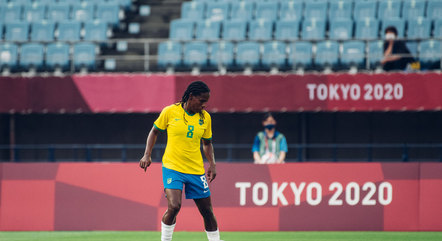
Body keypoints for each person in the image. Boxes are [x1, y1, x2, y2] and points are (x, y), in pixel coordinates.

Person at [139, 81, 222, 241]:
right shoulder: (170, 111)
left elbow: (207, 143)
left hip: (196, 170)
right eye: (202, 101)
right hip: (173, 167)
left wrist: (212, 164)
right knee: (174, 206)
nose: (204, 105)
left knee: (207, 211)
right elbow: (154, 131)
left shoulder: (205, 118)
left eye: (206, 101)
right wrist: (147, 154)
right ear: (191, 96)